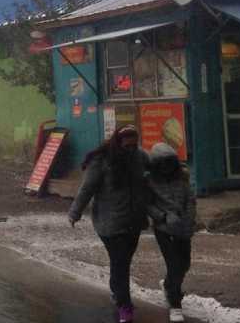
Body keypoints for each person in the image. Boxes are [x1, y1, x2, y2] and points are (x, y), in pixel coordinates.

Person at [68, 125, 151, 323]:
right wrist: (75, 212)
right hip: (109, 223)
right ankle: (125, 306)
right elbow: (87, 188)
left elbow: (152, 174)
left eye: (134, 145)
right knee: (121, 263)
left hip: (133, 221)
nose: (131, 149)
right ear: (118, 142)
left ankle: (116, 291)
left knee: (122, 262)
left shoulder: (140, 157)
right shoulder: (102, 160)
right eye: (127, 146)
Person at [146, 143, 196, 323]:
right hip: (164, 229)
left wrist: (189, 219)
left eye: (169, 162)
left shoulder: (181, 177)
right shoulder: (150, 180)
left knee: (184, 264)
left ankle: (168, 285)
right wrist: (163, 217)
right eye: (162, 163)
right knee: (174, 265)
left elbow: (190, 199)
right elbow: (147, 204)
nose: (165, 166)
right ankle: (175, 304)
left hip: (183, 227)